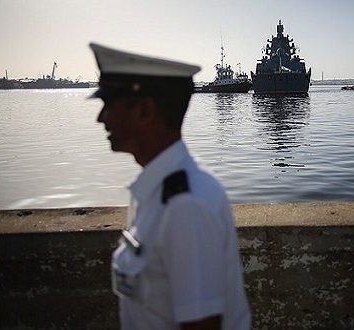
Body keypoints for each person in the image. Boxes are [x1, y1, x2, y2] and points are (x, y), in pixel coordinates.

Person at [89, 43, 251, 330]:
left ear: (144, 111)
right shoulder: (159, 190)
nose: (101, 118)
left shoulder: (186, 206)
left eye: (109, 104)